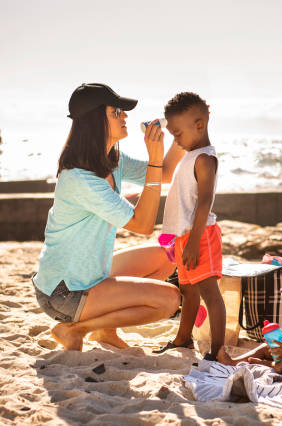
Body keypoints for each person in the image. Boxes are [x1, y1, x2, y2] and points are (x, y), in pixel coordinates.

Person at [32, 83, 185, 351]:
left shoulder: (112, 159)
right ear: (95, 121)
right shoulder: (79, 178)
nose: (124, 116)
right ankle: (76, 329)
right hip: (64, 293)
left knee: (165, 256)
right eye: (116, 112)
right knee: (169, 300)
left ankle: (105, 331)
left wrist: (180, 130)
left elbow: (165, 174)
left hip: (89, 275)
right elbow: (143, 224)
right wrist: (154, 158)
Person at [152, 92, 225, 361]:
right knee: (188, 290)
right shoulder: (191, 154)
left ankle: (218, 351)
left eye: (178, 134)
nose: (176, 140)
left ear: (199, 125)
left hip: (200, 235)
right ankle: (183, 339)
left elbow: (204, 202)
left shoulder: (205, 158)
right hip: (186, 236)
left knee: (209, 292)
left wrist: (194, 241)